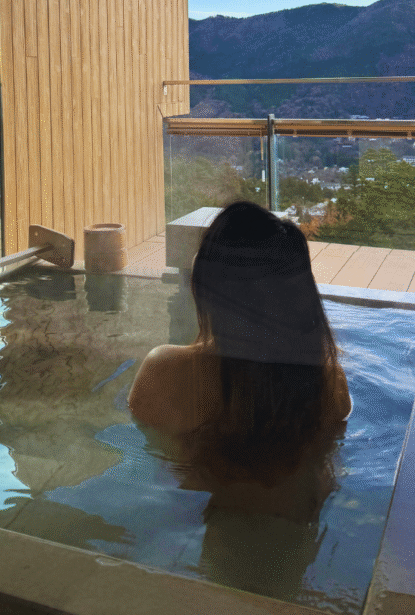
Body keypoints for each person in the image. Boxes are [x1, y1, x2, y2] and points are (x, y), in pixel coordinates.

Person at [128, 201, 351, 510]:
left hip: (197, 526)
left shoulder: (164, 373)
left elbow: (158, 478)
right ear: (301, 298)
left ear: (208, 291)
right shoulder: (329, 382)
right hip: (300, 524)